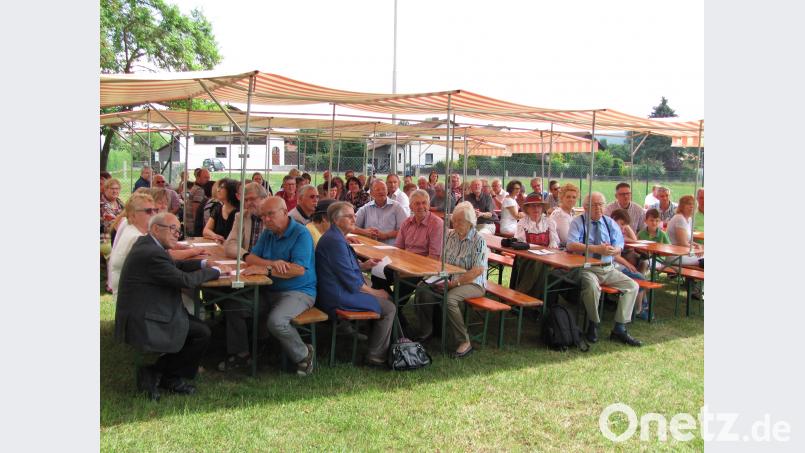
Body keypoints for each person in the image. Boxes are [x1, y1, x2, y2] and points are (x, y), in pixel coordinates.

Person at [115, 212, 225, 400]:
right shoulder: (152, 253)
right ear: (156, 229)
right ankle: (163, 374)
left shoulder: (148, 245)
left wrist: (203, 263)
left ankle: (166, 375)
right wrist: (215, 271)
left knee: (199, 330)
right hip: (146, 317)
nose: (177, 234)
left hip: (148, 307)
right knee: (201, 333)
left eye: (178, 230)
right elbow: (184, 280)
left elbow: (174, 266)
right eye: (173, 229)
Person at [242, 197, 317, 376]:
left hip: (299, 291)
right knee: (241, 307)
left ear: (284, 212)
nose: (266, 219)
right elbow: (250, 258)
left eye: (270, 214)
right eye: (263, 216)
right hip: (270, 288)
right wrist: (273, 264)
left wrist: (266, 269)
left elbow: (298, 270)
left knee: (276, 322)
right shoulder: (268, 232)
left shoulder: (301, 233)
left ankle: (304, 355)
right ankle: (248, 352)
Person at [315, 202, 397, 366]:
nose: (354, 219)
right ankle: (376, 356)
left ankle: (385, 341)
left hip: (335, 290)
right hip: (337, 296)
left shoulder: (335, 237)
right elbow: (352, 282)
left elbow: (341, 268)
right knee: (389, 307)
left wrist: (363, 266)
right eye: (349, 216)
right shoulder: (335, 241)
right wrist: (376, 293)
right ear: (336, 220)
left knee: (382, 295)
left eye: (354, 215)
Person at [566, 192, 642, 347]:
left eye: (601, 204)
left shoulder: (609, 222)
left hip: (608, 268)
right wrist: (595, 248)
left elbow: (619, 244)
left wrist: (615, 250)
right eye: (594, 205)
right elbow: (571, 245)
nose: (598, 208)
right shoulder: (578, 222)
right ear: (585, 207)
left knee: (632, 286)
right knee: (592, 287)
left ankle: (620, 328)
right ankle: (593, 323)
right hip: (587, 268)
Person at [414, 202, 488, 358]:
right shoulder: (449, 235)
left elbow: (477, 270)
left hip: (472, 283)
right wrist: (436, 278)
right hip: (448, 278)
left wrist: (455, 283)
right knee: (422, 289)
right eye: (454, 220)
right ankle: (427, 332)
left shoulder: (478, 240)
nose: (455, 224)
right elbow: (442, 261)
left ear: (470, 222)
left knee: (450, 299)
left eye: (460, 221)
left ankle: (464, 342)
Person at [509, 194, 559, 301]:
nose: (536, 209)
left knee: (541, 264)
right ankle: (530, 298)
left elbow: (554, 242)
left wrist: (549, 250)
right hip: (526, 258)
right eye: (532, 206)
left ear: (542, 208)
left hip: (547, 257)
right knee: (538, 263)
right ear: (527, 209)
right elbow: (520, 243)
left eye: (538, 206)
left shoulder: (549, 222)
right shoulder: (522, 223)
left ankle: (523, 295)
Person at [108, 193, 156, 295]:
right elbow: (157, 268)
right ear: (133, 215)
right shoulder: (136, 238)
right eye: (148, 211)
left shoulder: (132, 229)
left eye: (154, 210)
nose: (153, 214)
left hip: (130, 290)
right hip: (132, 295)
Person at [354, 180, 409, 245]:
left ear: (387, 191)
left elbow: (405, 229)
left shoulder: (397, 207)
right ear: (371, 193)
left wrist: (386, 235)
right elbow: (351, 226)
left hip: (391, 248)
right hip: (370, 247)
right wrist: (365, 232)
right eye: (377, 189)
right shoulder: (366, 208)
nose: (381, 192)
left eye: (383, 189)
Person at [224, 182, 268, 259]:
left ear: (264, 198)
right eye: (246, 200)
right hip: (247, 261)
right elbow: (229, 245)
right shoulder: (241, 216)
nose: (248, 203)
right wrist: (247, 256)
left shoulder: (273, 217)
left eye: (252, 199)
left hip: (267, 262)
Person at [665, 195, 704, 266]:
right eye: (689, 204)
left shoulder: (689, 219)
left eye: (694, 204)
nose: (692, 206)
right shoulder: (679, 218)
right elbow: (682, 243)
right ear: (682, 206)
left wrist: (698, 245)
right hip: (676, 255)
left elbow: (688, 241)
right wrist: (697, 250)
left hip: (685, 252)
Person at [202, 178, 239, 243]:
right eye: (218, 187)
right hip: (219, 245)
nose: (218, 190)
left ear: (230, 190)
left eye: (222, 187)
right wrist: (215, 236)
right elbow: (206, 230)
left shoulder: (239, 211)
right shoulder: (218, 208)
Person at [550, 183, 579, 248]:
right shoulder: (559, 214)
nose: (571, 199)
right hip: (562, 250)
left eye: (574, 197)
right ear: (562, 198)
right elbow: (566, 239)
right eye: (568, 197)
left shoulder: (572, 213)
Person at [185, 168, 210, 236]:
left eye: (208, 177)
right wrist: (198, 228)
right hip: (193, 227)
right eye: (205, 177)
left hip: (189, 225)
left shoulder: (195, 187)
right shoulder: (199, 190)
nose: (208, 180)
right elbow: (195, 210)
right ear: (198, 177)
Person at [101, 178, 125, 243]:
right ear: (105, 190)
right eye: (112, 189)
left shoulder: (121, 203)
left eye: (117, 189)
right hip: (105, 239)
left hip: (120, 235)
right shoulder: (101, 204)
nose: (115, 191)